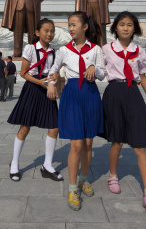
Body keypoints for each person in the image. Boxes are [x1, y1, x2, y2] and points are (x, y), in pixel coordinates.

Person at [101, 11, 146, 217]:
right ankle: (113, 175)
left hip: (132, 93)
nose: (126, 28)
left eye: (130, 25)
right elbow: (99, 70)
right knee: (116, 141)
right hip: (114, 93)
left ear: (135, 29)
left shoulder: (139, 51)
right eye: (122, 24)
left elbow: (142, 77)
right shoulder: (107, 49)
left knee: (140, 144)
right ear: (115, 28)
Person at [47, 11, 105, 211]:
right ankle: (72, 188)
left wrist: (93, 69)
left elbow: (102, 73)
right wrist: (51, 84)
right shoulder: (63, 50)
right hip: (72, 93)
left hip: (90, 94)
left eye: (73, 25)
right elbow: (53, 70)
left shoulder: (96, 49)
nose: (70, 28)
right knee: (76, 145)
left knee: (89, 143)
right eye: (69, 25)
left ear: (85, 27)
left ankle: (83, 179)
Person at [8, 18, 61, 183]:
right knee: (25, 126)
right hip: (33, 88)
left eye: (52, 31)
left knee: (54, 127)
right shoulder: (30, 48)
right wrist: (40, 82)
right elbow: (24, 73)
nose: (49, 34)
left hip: (48, 89)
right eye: (46, 30)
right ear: (37, 32)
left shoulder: (55, 52)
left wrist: (55, 78)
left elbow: (55, 71)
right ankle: (15, 164)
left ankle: (47, 165)